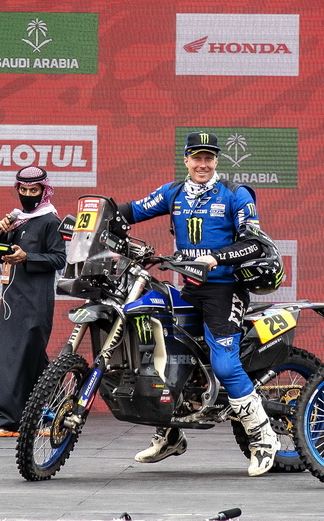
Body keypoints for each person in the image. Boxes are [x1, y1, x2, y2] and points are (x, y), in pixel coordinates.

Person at [116, 131, 280, 477]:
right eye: (197, 157)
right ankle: (171, 433)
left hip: (225, 290)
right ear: (186, 159)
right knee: (155, 347)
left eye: (209, 158)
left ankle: (264, 438)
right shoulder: (174, 192)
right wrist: (89, 219)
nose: (202, 164)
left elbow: (255, 243)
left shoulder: (235, 193)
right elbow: (128, 212)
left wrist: (216, 258)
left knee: (224, 365)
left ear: (217, 160)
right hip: (188, 289)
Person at [0, 166, 67, 437]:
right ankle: (54, 416)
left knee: (17, 358)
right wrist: (1, 235)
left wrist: (27, 257)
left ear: (44, 190)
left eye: (34, 190)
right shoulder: (16, 220)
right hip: (12, 299)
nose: (28, 195)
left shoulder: (50, 220)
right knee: (30, 359)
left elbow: (59, 259)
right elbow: (1, 255)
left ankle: (4, 420)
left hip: (35, 301)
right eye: (24, 190)